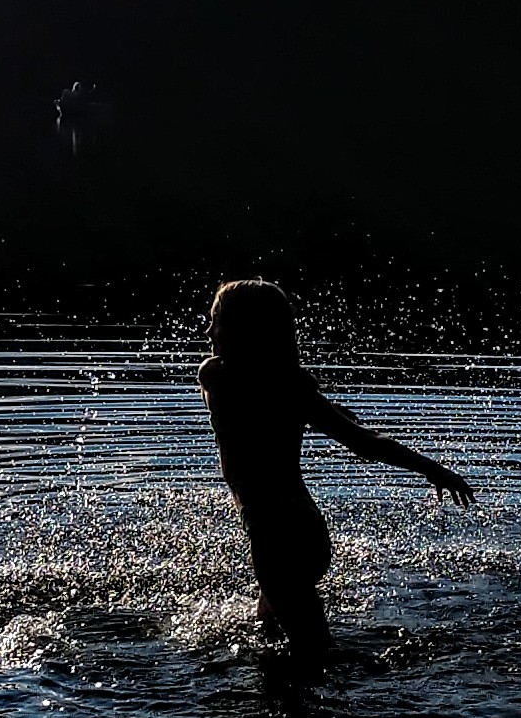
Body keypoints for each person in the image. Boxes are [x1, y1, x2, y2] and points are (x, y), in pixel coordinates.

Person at [198, 278, 475, 658]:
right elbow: (363, 441)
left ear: (245, 331)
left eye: (217, 322)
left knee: (315, 656)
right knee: (270, 639)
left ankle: (363, 700)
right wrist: (431, 468)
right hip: (305, 531)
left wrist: (312, 401)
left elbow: (228, 381)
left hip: (274, 536)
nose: (209, 331)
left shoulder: (220, 377)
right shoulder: (292, 388)